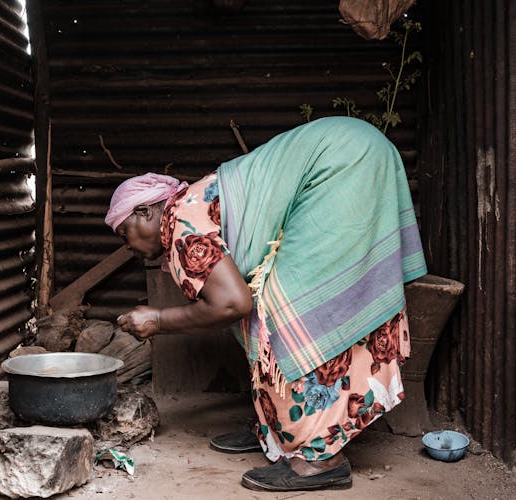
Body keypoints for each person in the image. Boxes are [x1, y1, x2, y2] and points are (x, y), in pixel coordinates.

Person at [105, 116, 427, 492]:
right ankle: (277, 431)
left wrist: (158, 320)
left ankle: (322, 460)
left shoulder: (180, 224)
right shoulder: (189, 205)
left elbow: (232, 304)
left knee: (283, 312)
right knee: (271, 302)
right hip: (355, 151)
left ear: (146, 213)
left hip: (344, 164)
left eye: (125, 233)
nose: (129, 247)